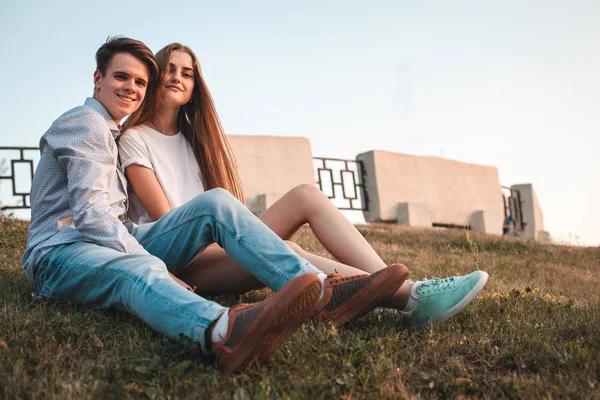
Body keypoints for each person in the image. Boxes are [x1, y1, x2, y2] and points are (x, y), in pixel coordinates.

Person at [22, 37, 411, 373]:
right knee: (136, 272)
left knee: (215, 204)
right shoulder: (88, 123)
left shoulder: (109, 129)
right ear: (98, 79)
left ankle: (322, 292)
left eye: (140, 81)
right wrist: (151, 262)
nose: (132, 87)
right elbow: (91, 216)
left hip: (115, 238)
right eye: (121, 77)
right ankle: (223, 331)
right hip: (61, 253)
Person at [119, 42, 489, 330]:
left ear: (195, 87)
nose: (177, 77)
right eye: (169, 68)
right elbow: (173, 223)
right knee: (278, 242)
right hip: (180, 259)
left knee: (305, 196)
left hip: (217, 247)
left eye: (187, 72)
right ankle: (410, 297)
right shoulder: (135, 139)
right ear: (154, 76)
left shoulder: (195, 143)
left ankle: (401, 289)